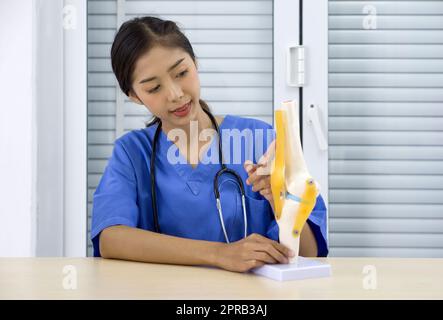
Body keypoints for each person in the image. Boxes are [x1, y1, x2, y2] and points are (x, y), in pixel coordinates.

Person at [91, 16, 328, 273]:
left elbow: (308, 251)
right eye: (154, 88)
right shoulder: (132, 152)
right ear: (135, 96)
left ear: (196, 64)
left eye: (182, 73)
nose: (175, 94)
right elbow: (111, 239)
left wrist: (280, 201)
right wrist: (220, 254)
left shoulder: (259, 139)